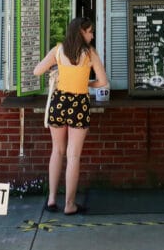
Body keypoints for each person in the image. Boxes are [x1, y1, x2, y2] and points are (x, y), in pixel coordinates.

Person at [33, 17, 108, 215]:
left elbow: (37, 70)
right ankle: (69, 204)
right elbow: (103, 82)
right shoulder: (90, 53)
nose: (92, 36)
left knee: (57, 151)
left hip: (58, 103)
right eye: (90, 32)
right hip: (79, 105)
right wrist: (87, 84)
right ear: (81, 32)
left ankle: (51, 199)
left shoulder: (58, 50)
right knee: (73, 155)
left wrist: (57, 69)